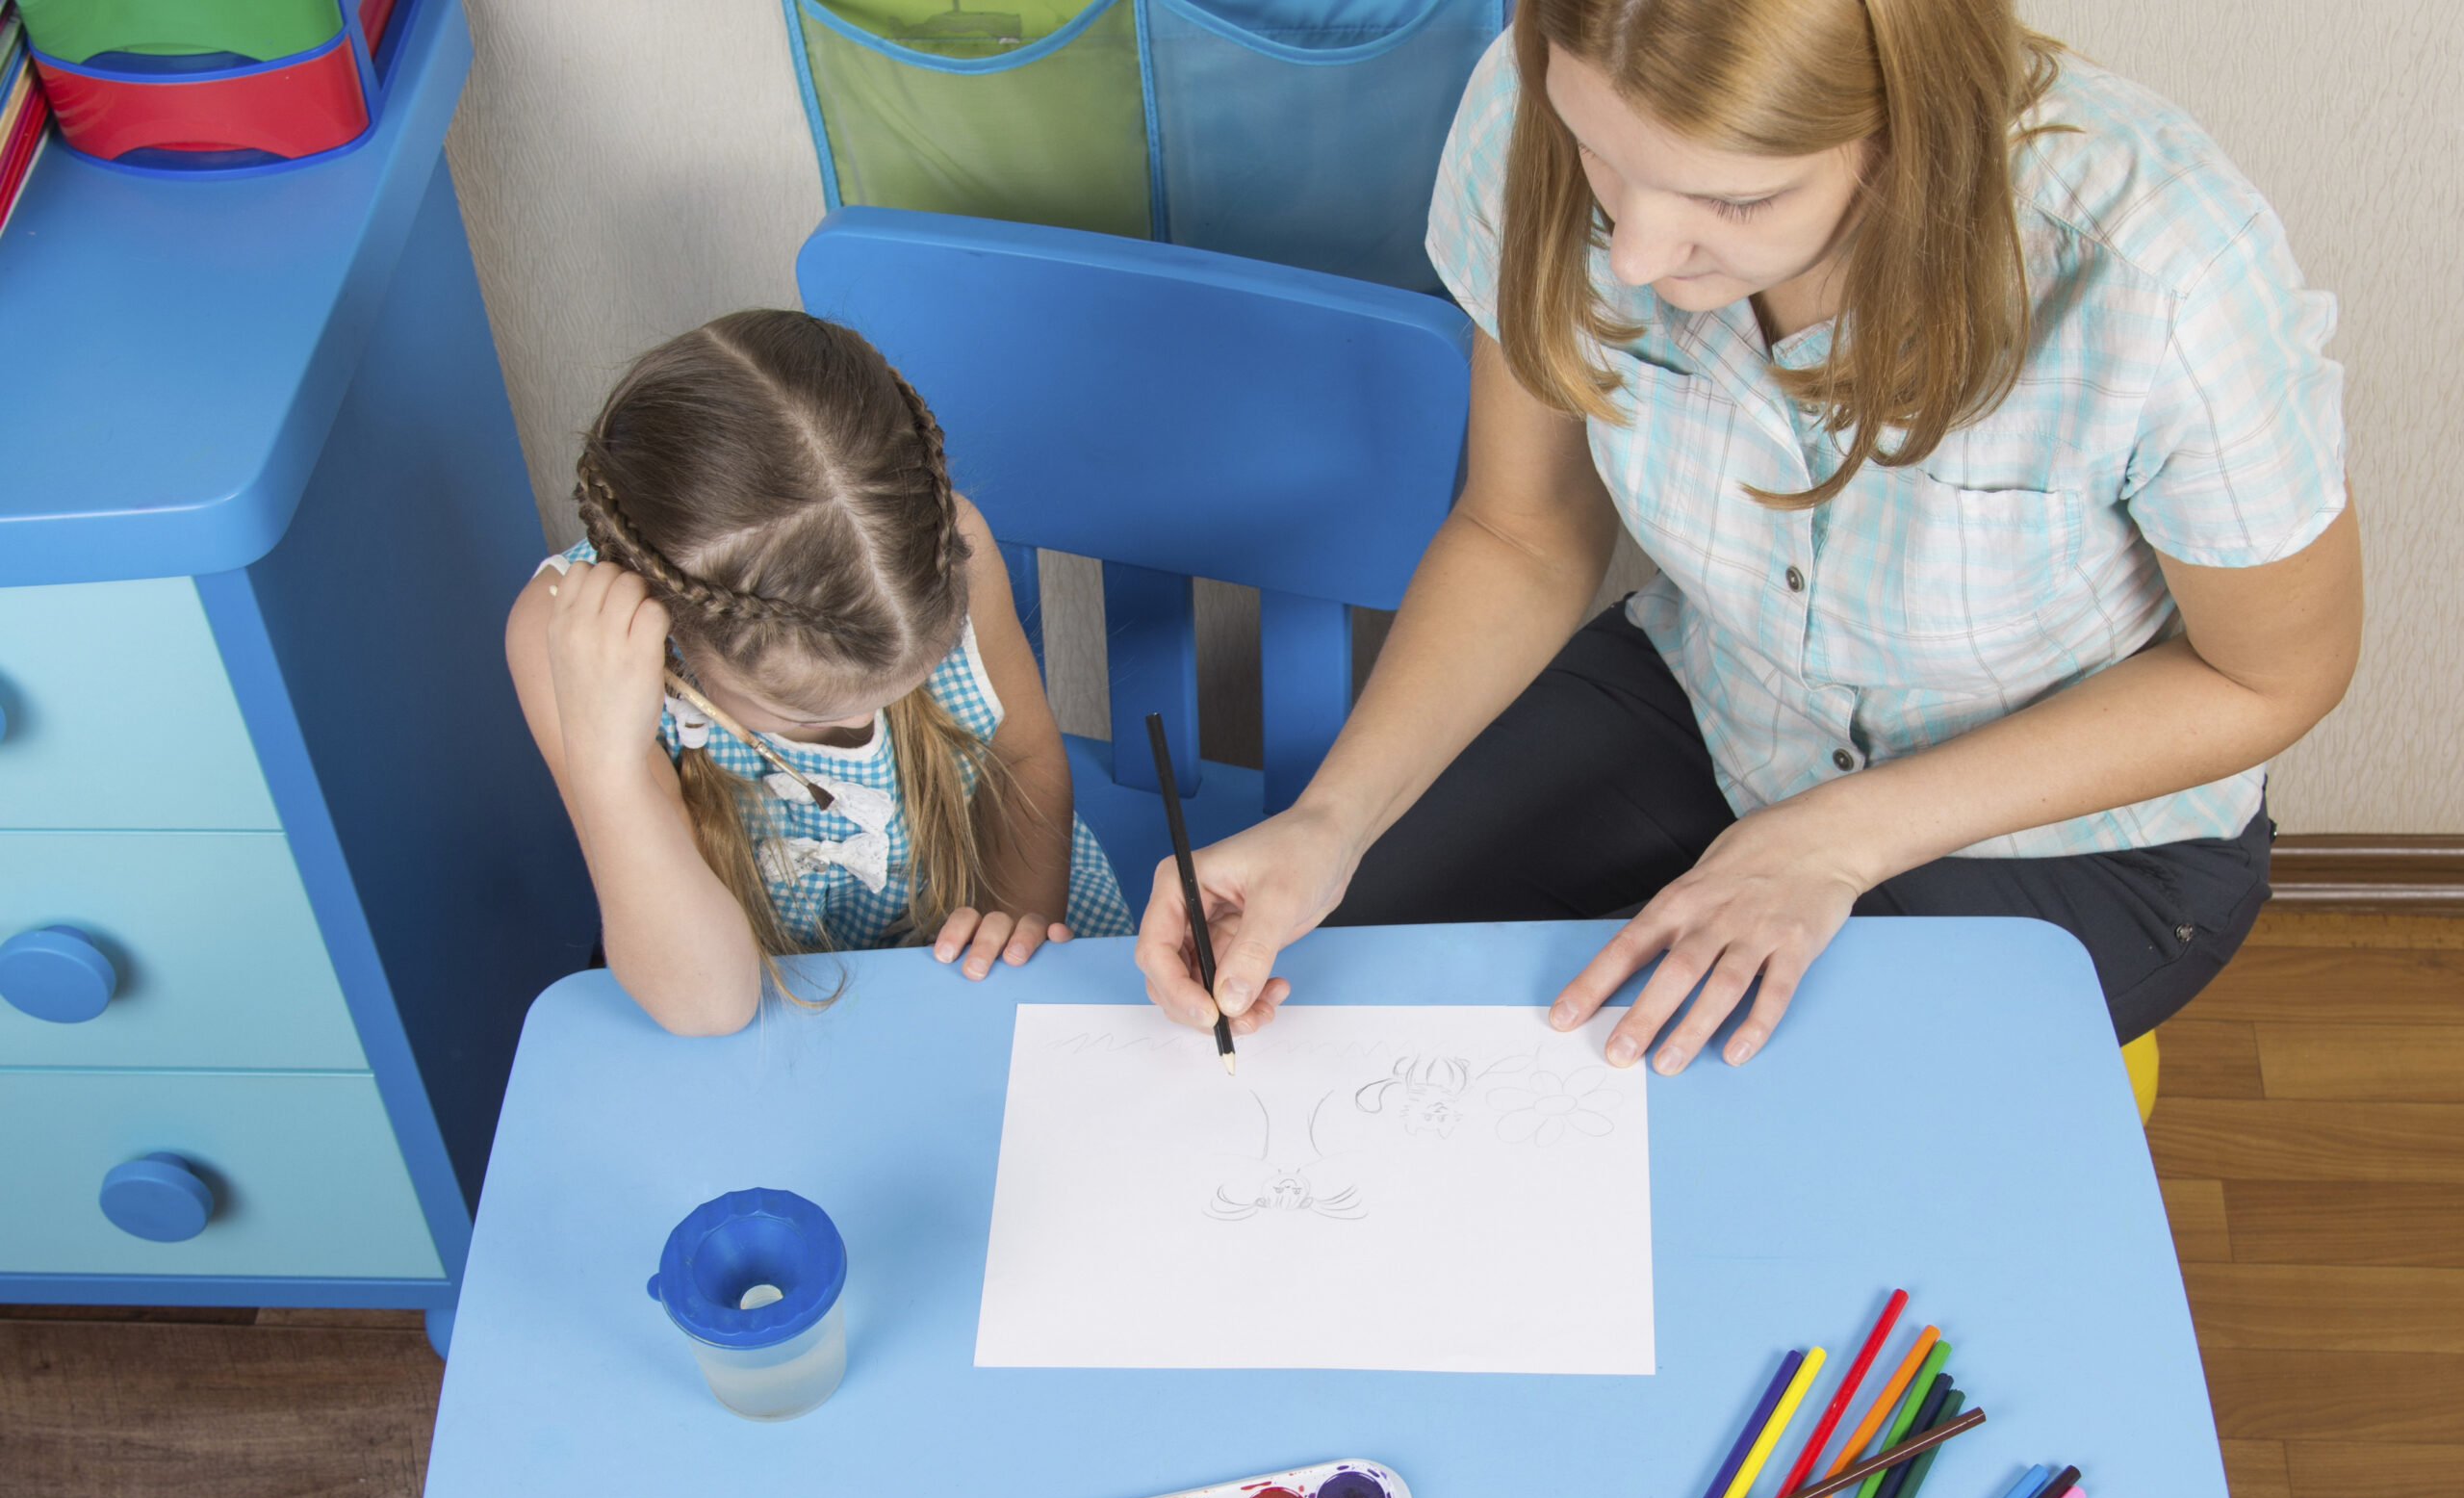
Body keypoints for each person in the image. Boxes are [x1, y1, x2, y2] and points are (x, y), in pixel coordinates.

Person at [1136, 0, 2361, 1074]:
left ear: (1906, 130)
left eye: (1733, 198)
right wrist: (1333, 822)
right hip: (1721, 698)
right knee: (1344, 992)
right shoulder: (1531, 102)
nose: (1634, 253)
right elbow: (1521, 533)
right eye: (1601, 157)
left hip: (2073, 834)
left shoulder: (2159, 269)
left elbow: (2269, 674)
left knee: (1744, 1137)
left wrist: (1833, 838)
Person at [507, 310, 1131, 1036]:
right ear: (675, 630)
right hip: (755, 989)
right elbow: (709, 1007)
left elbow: (1019, 753)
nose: (861, 726)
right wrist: (610, 769)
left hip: (979, 920)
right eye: (806, 715)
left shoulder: (945, 543)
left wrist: (1012, 924)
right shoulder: (567, 643)